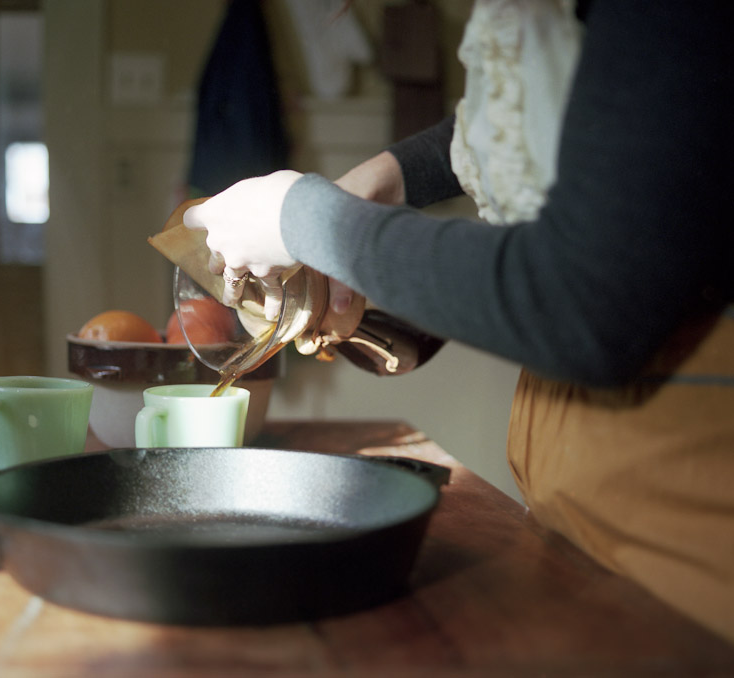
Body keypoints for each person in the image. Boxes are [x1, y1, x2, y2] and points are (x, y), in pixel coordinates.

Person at [182, 0, 733, 643]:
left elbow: (583, 304)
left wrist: (304, 219)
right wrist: (383, 179)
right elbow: (594, 110)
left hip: (691, 512)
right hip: (585, 485)